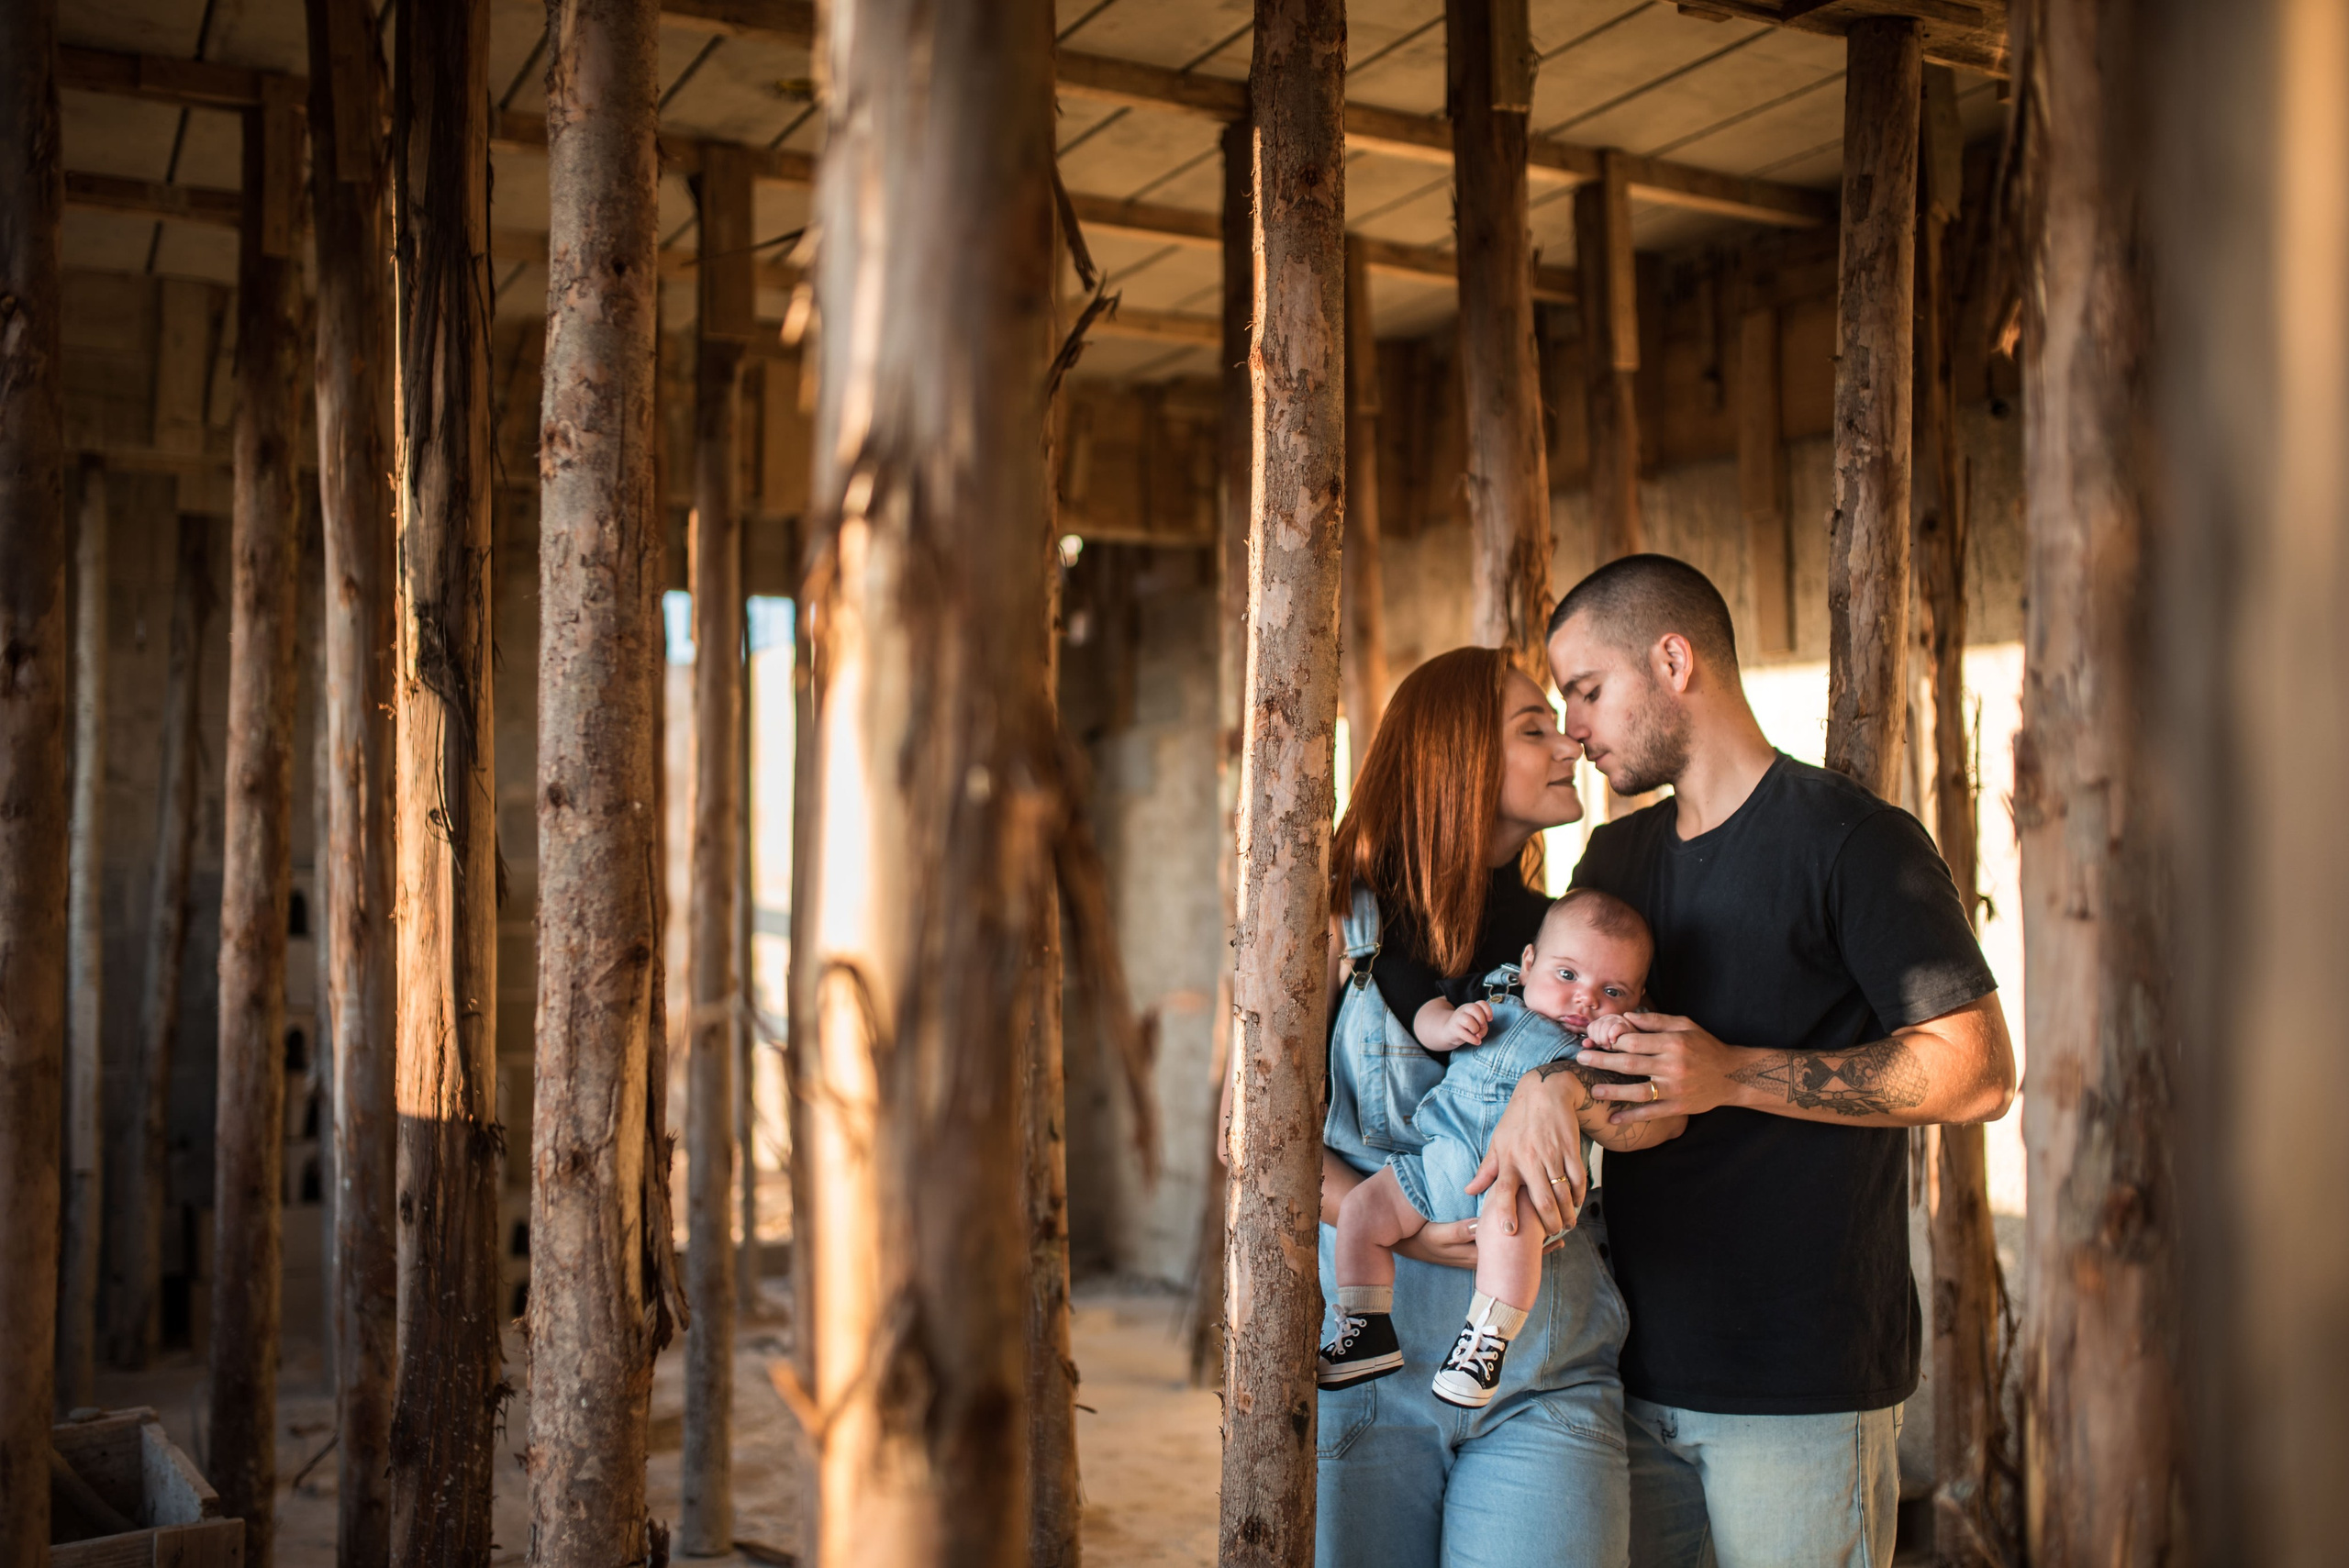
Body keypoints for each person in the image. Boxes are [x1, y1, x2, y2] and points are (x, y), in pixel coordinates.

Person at [1470, 555, 2017, 1567]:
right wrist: (1548, 1084)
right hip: (1617, 1374)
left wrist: (1734, 1074)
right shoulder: (1612, 864)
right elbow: (1571, 1047)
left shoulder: (1856, 843)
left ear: (1672, 660)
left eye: (1587, 690)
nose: (1574, 727)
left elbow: (1978, 1070)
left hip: (1800, 1388)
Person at [1223, 644, 1633, 1568]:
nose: (1569, 739)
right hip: (1368, 1373)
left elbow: (1649, 1090)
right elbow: (1249, 1131)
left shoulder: (1570, 941)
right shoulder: (1332, 918)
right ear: (1452, 757)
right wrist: (1395, 1224)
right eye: (1533, 727)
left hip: (1541, 1374)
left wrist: (1561, 1083)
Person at [1319, 889, 1675, 1411]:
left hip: (1522, 1186)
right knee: (1361, 1210)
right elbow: (1427, 1014)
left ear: (1639, 997)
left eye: (1613, 991)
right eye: (1568, 976)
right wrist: (1447, 1025)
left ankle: (1485, 1344)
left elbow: (1646, 1101)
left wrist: (1618, 1038)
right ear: (1528, 964)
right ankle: (1364, 1326)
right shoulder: (1492, 994)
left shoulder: (1607, 1047)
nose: (1586, 1001)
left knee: (1509, 1232)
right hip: (1438, 1164)